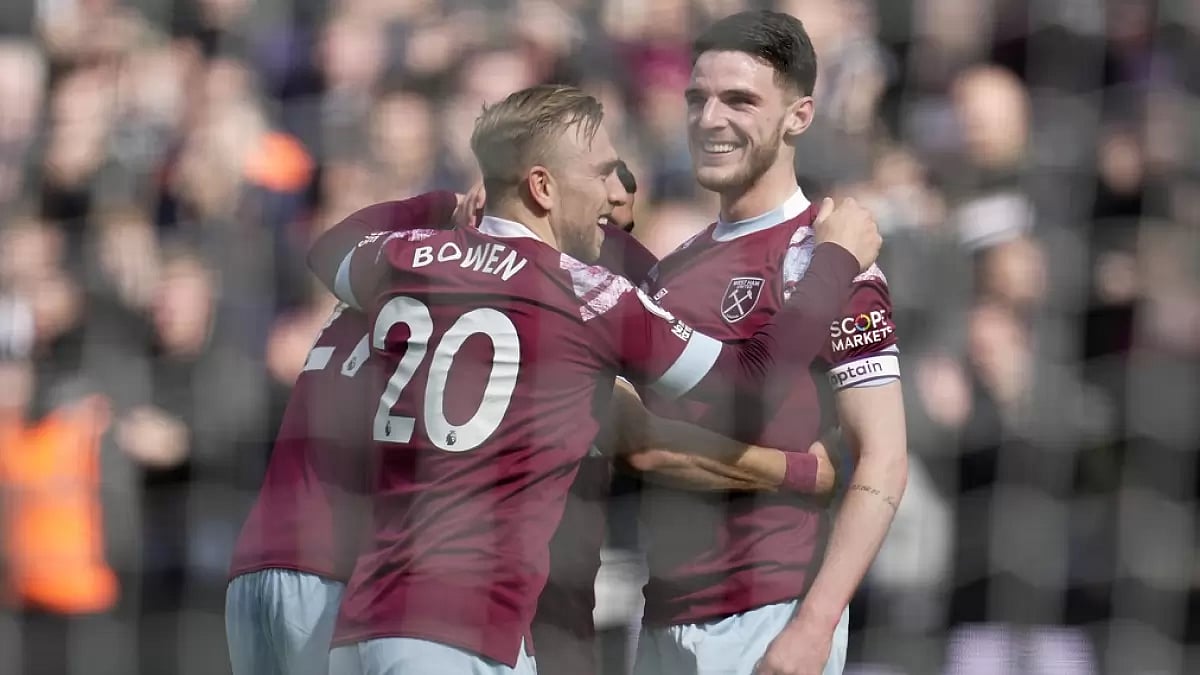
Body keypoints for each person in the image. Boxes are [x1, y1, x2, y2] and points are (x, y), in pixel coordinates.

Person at [304, 83, 881, 675]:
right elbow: (751, 380)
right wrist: (835, 259)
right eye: (602, 173)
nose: (613, 191)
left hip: (365, 625)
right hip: (463, 632)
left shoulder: (406, 256)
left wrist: (445, 204)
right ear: (543, 186)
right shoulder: (583, 294)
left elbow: (327, 251)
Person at [626, 11, 909, 675]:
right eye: (698, 98)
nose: (709, 118)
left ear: (799, 115)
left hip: (766, 620)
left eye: (740, 99)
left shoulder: (827, 257)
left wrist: (815, 623)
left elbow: (884, 457)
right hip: (662, 613)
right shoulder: (672, 269)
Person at [225, 195, 460, 675]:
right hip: (326, 571)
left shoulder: (346, 306)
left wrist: (437, 204)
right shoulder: (428, 324)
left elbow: (338, 242)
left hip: (251, 569)